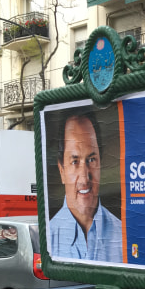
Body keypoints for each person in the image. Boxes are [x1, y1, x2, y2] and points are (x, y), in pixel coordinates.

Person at [48, 111, 122, 262]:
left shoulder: (124, 237)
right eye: (75, 162)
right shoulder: (48, 239)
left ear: (100, 163)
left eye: (92, 159)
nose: (84, 176)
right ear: (62, 170)